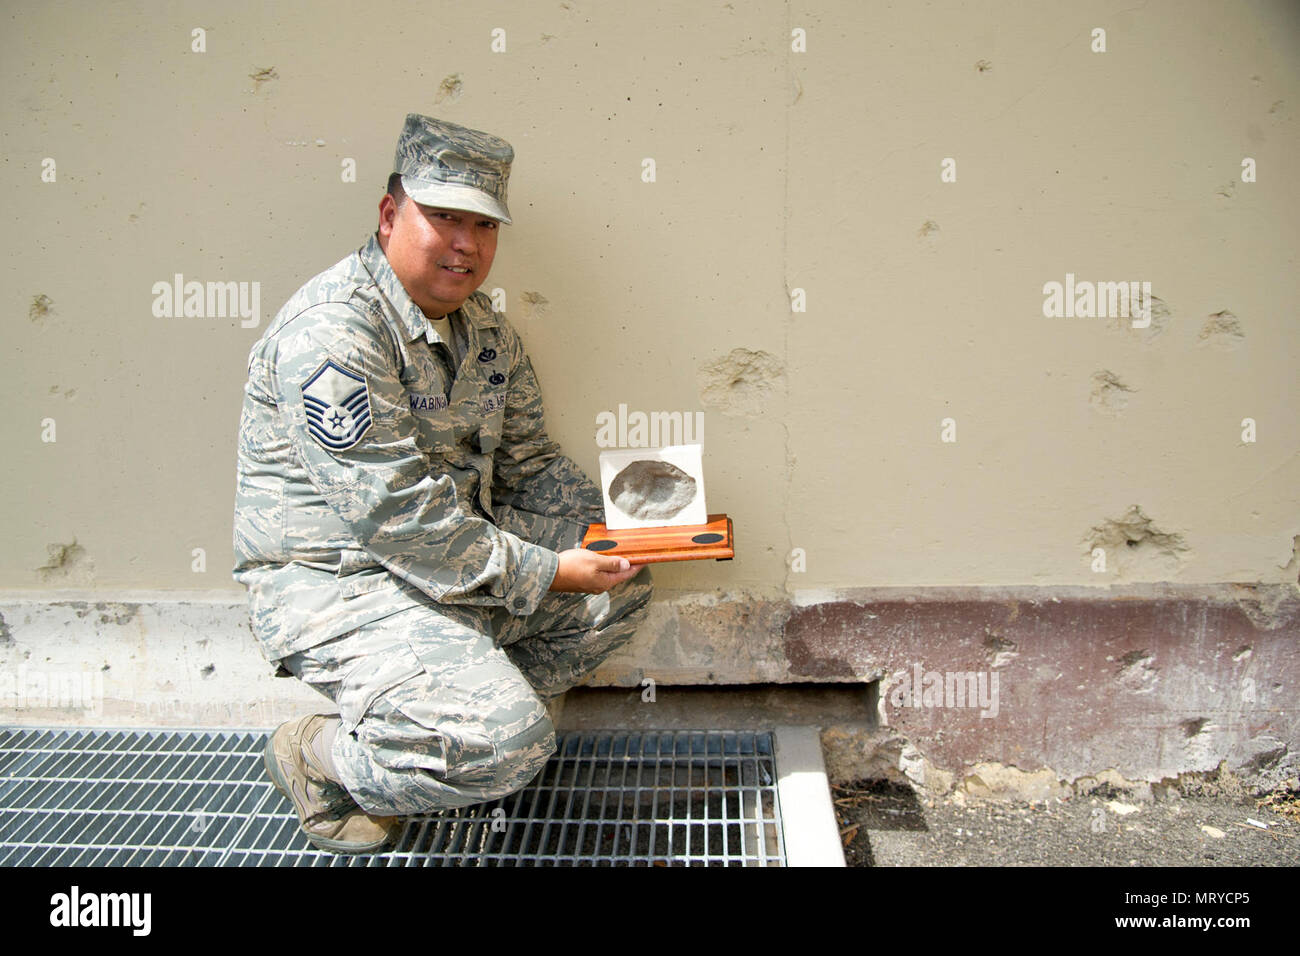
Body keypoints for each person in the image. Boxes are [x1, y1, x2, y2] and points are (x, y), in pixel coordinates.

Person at [231, 113, 653, 854]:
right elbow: (397, 518)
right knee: (508, 745)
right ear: (392, 214)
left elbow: (532, 466)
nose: (467, 244)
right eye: (445, 218)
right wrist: (551, 570)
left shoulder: (487, 334)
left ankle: (477, 732)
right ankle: (323, 756)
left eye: (484, 225)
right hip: (341, 585)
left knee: (622, 584)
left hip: (448, 571)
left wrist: (624, 526)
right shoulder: (335, 334)